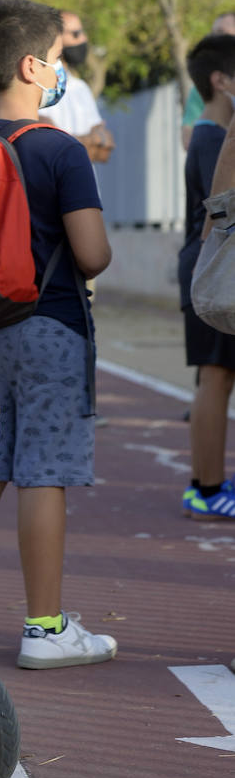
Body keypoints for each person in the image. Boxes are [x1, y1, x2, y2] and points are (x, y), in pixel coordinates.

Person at [0, 0, 117, 668]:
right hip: (51, 327)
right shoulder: (60, 151)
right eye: (60, 60)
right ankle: (45, 627)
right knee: (45, 474)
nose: (63, 71)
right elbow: (92, 254)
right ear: (33, 66)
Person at [177, 33, 235, 519]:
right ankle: (209, 487)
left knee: (210, 378)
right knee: (216, 378)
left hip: (205, 266)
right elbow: (216, 213)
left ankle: (206, 482)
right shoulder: (216, 136)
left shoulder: (205, 133)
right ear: (221, 81)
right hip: (216, 269)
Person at [41, 10, 114, 163]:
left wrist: (72, 143)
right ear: (57, 39)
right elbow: (50, 145)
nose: (83, 39)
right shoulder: (40, 85)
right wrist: (91, 140)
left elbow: (104, 151)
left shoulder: (81, 88)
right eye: (76, 34)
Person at [181, 11, 235, 151]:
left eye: (222, 32)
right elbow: (188, 140)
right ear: (219, 81)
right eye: (213, 33)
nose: (214, 38)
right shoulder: (212, 138)